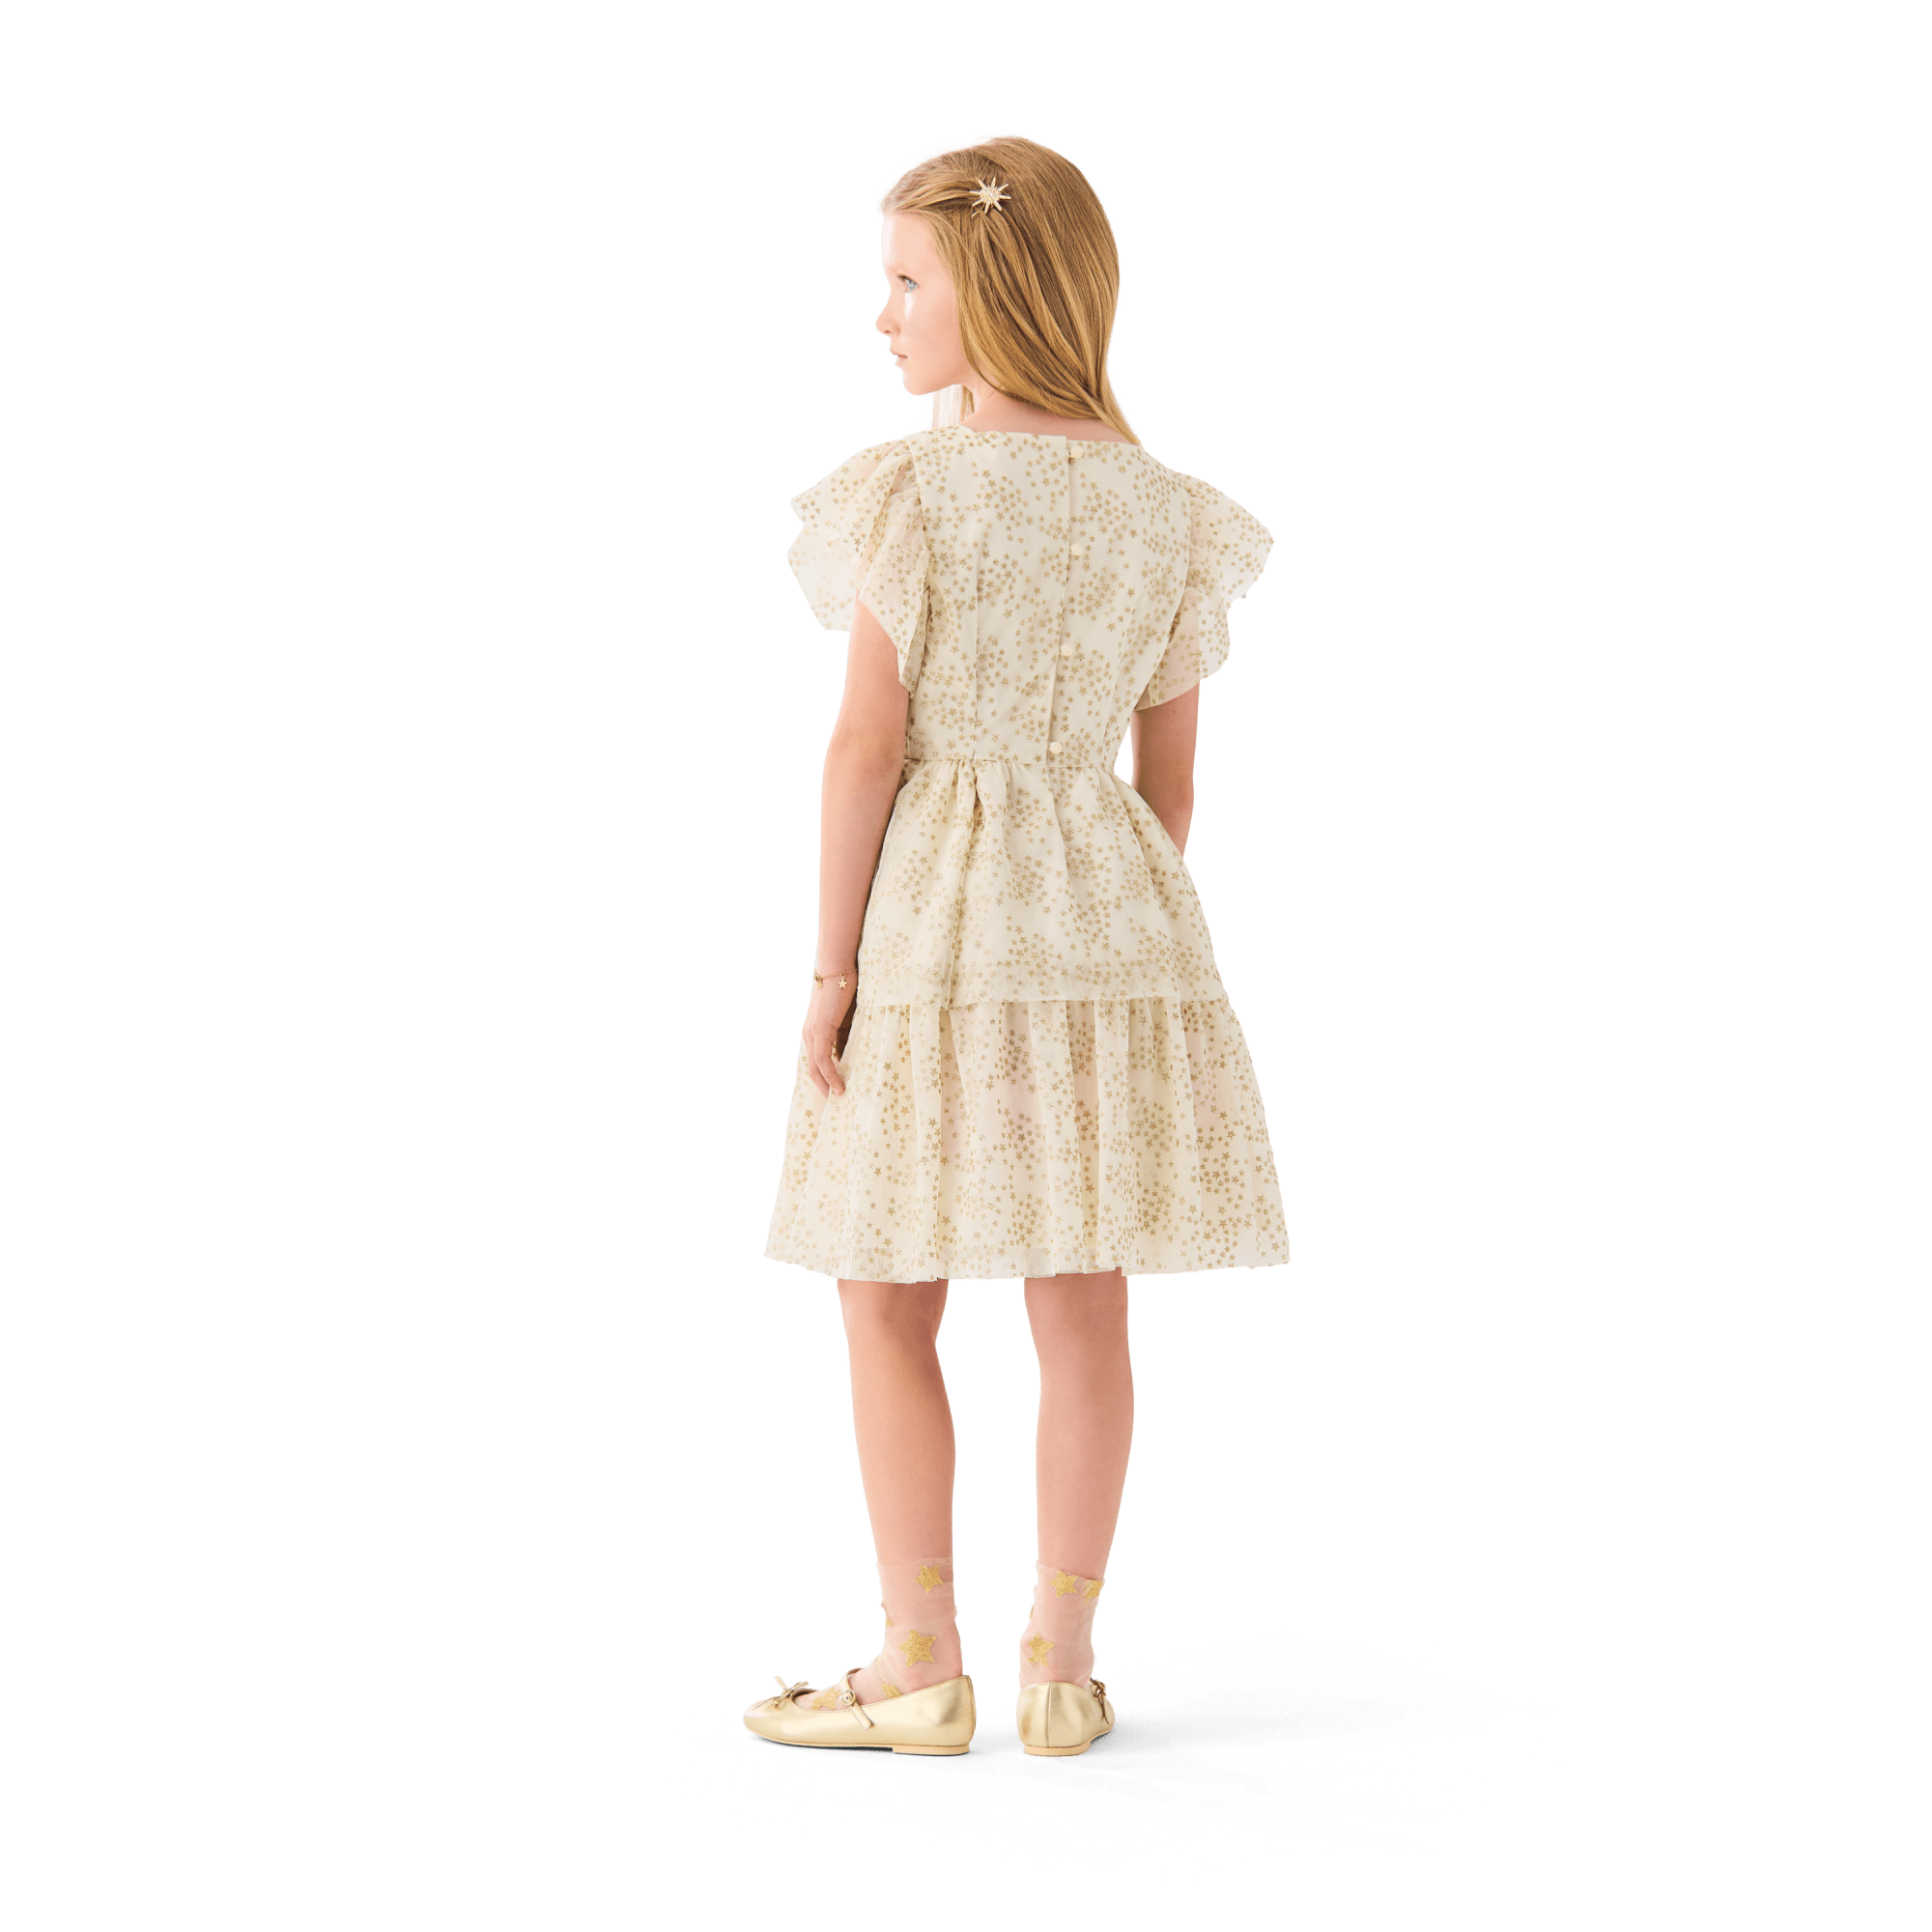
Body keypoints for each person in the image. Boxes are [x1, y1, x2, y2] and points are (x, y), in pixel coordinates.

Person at [749, 131, 1292, 1761]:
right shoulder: (1168, 511)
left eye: (906, 283)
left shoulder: (910, 490)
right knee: (1084, 1303)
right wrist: (1111, 912)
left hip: (931, 919)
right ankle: (1062, 1661)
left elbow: (865, 748)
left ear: (992, 290)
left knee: (883, 1289)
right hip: (1112, 921)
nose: (883, 318)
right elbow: (1169, 782)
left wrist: (832, 974)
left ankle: (921, 1659)